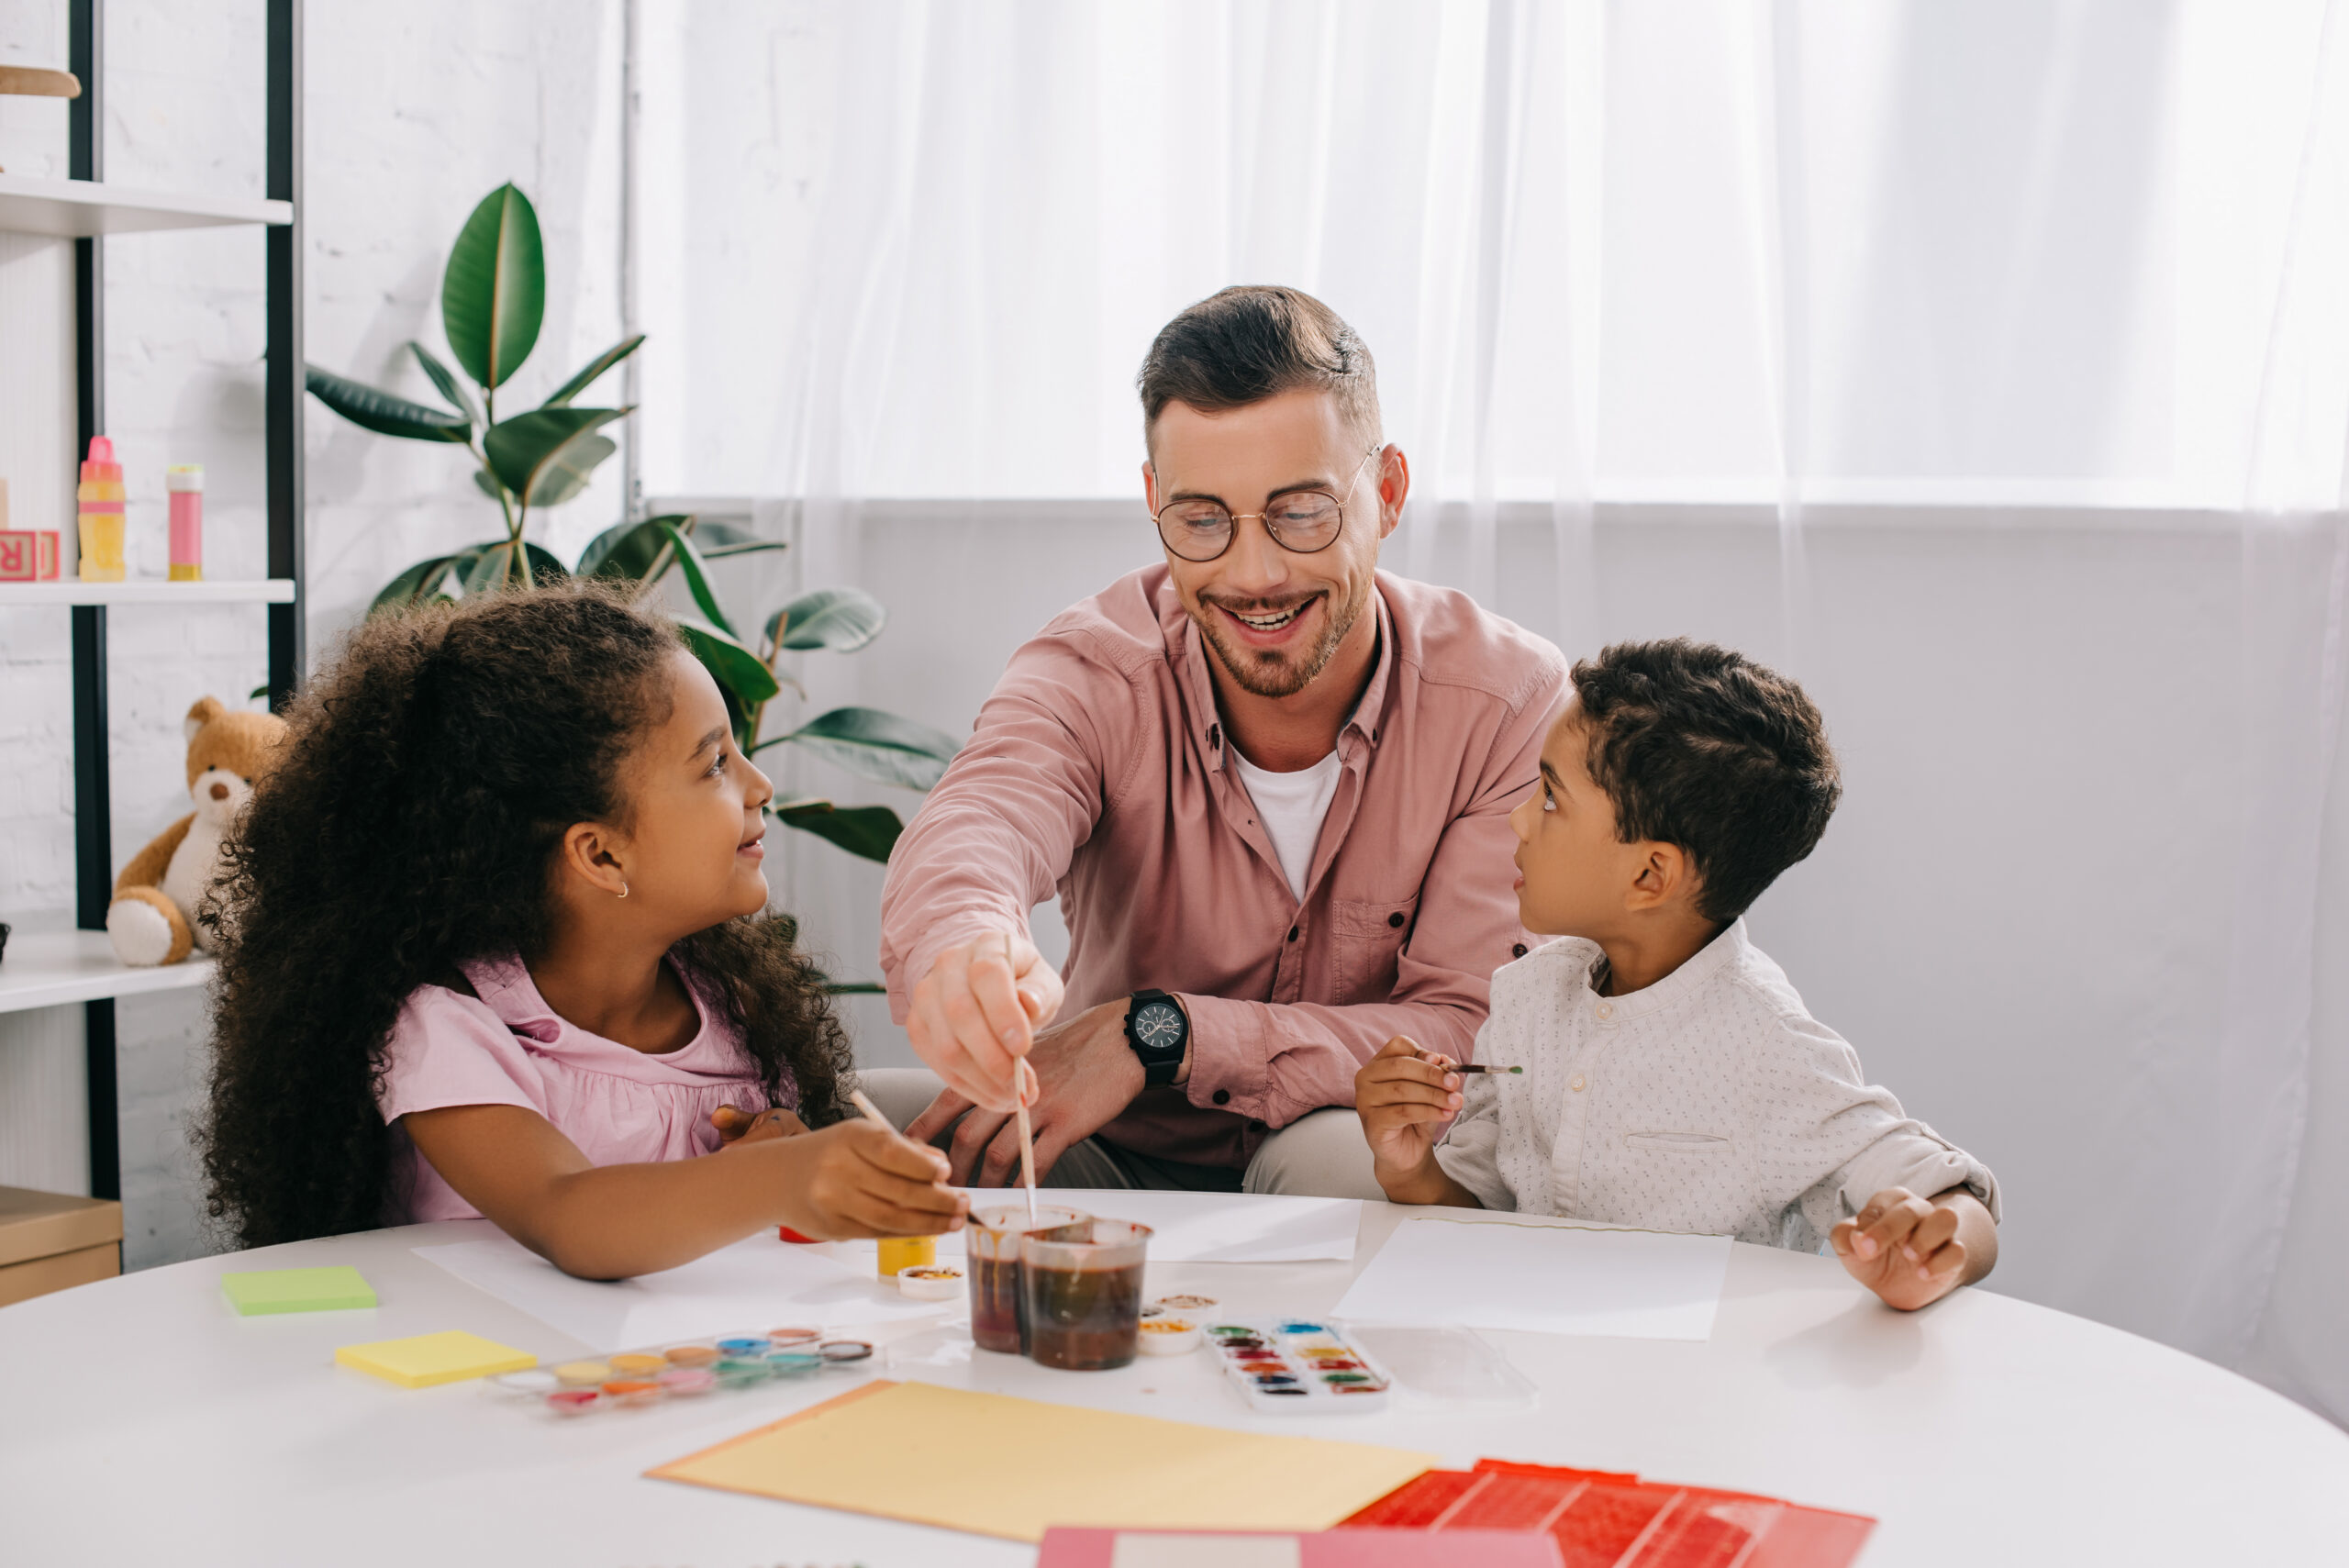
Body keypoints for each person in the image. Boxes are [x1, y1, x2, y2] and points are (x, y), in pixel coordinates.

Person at [872, 285, 1569, 1196]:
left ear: (1386, 491)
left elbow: (1472, 1022)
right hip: (1102, 1148)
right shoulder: (1091, 667)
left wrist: (1165, 1033)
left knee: (1338, 1166)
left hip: (1353, 1148)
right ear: (1155, 500)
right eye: (1202, 520)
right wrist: (963, 940)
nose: (1254, 574)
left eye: (1302, 511)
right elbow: (982, 817)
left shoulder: (1505, 698)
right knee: (833, 1121)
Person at [198, 584, 966, 1278]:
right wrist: (777, 1179)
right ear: (600, 852)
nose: (760, 784)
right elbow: (569, 1211)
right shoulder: (449, 1029)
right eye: (714, 766)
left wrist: (778, 1155)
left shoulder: (733, 1010)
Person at [1355, 639, 2000, 1310]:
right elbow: (1479, 1209)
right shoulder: (1526, 996)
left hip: (1696, 1394)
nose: (1518, 817)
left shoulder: (1768, 1047)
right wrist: (1412, 1168)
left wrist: (1937, 1243)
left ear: (1649, 875)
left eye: (1550, 797)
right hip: (1528, 1364)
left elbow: (1953, 1194)